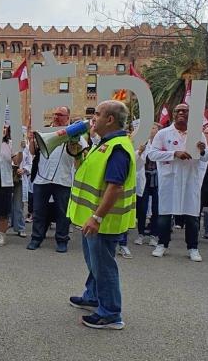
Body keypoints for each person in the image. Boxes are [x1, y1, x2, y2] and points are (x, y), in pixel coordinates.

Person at [68, 100, 136, 330]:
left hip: (104, 221)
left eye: (97, 114)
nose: (92, 118)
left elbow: (115, 187)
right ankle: (93, 296)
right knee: (94, 262)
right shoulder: (104, 143)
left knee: (103, 266)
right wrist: (76, 152)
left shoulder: (117, 148)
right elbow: (85, 169)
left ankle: (110, 313)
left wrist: (96, 218)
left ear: (110, 120)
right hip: (94, 218)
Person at [147, 104, 205, 261]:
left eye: (185, 111)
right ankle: (162, 244)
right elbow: (152, 154)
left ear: (190, 114)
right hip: (170, 179)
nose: (181, 113)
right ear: (173, 114)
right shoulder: (163, 133)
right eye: (178, 110)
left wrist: (202, 151)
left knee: (192, 216)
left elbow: (207, 158)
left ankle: (193, 248)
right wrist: (174, 153)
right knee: (165, 214)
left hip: (190, 179)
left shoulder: (197, 134)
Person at [28, 106, 86, 253]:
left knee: (62, 212)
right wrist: (31, 139)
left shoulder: (75, 133)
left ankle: (62, 240)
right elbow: (33, 152)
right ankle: (36, 238)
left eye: (60, 114)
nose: (56, 117)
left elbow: (80, 155)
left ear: (67, 117)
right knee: (39, 211)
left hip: (63, 178)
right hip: (42, 178)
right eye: (55, 114)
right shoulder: (45, 131)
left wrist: (74, 143)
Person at [133, 123, 160, 246]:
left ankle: (154, 235)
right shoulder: (143, 143)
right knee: (142, 208)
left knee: (156, 209)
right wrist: (140, 151)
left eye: (154, 128)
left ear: (158, 131)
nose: (151, 130)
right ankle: (141, 234)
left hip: (157, 180)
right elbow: (135, 161)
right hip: (144, 178)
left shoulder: (161, 144)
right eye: (150, 127)